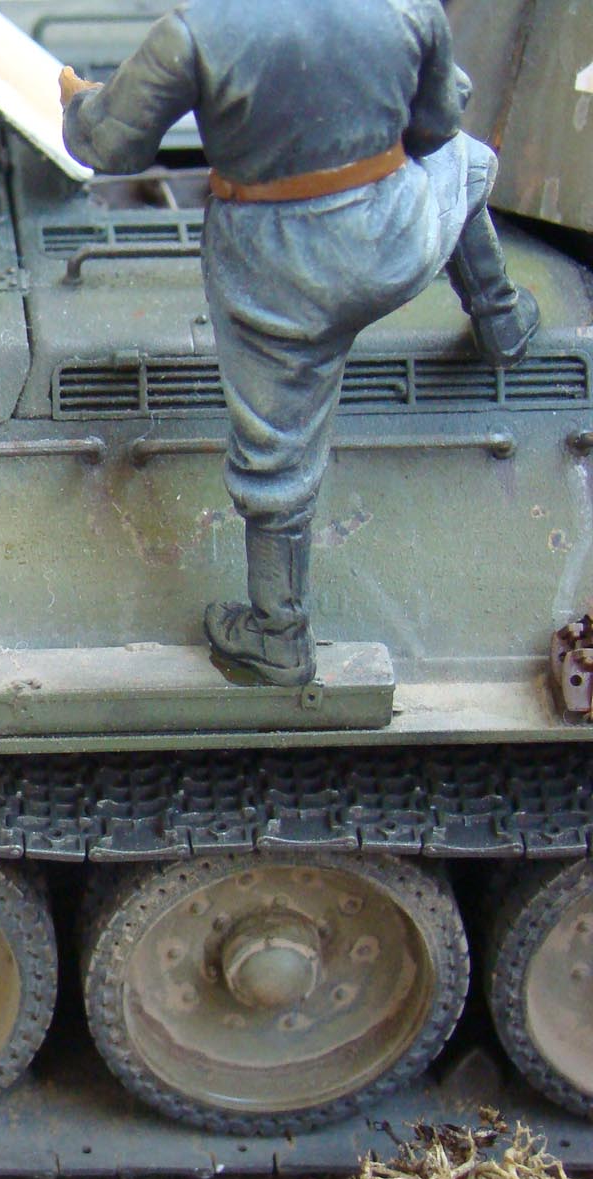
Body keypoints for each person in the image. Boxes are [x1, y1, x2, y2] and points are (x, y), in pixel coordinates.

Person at [58, 0, 539, 686]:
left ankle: (279, 636)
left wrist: (80, 102)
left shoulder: (194, 33)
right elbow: (437, 126)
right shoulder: (403, 6)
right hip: (392, 241)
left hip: (273, 276)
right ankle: (501, 318)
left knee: (274, 456)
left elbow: (109, 147)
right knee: (468, 164)